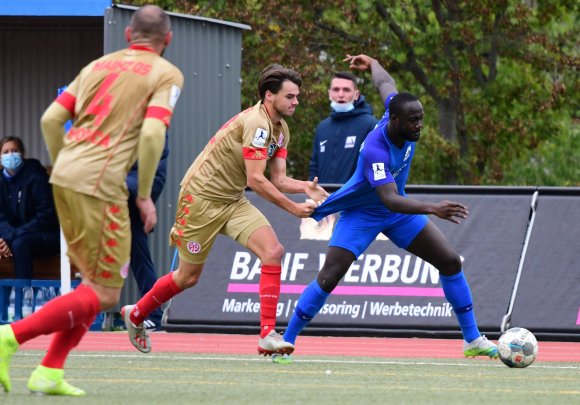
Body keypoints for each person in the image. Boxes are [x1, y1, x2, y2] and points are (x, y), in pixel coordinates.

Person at [0, 5, 183, 396]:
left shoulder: (97, 67)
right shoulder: (165, 73)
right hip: (101, 185)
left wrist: (65, 164)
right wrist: (146, 196)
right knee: (105, 293)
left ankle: (50, 370)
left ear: (127, 35)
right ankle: (9, 337)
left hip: (65, 177)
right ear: (167, 40)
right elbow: (152, 136)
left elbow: (50, 120)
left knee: (94, 286)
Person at [282, 54, 498, 361]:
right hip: (363, 214)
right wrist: (433, 209)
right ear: (394, 120)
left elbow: (385, 82)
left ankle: (472, 339)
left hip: (396, 213)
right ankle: (285, 341)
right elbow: (388, 198)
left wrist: (371, 63)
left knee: (450, 262)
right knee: (329, 277)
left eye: (421, 118)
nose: (419, 126)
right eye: (414, 121)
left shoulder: (399, 114)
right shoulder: (375, 147)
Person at [121, 64, 329, 357]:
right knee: (187, 277)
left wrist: (304, 186)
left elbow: (278, 179)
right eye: (290, 96)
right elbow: (255, 180)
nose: (296, 102)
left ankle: (267, 334)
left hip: (232, 200)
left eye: (296, 96)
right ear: (270, 96)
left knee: (273, 251)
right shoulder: (258, 123)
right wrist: (294, 209)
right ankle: (136, 313)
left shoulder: (280, 130)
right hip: (201, 201)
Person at [0, 136, 60, 279]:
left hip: (45, 236)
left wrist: (10, 237)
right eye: (5, 152)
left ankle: (25, 295)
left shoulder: (36, 177)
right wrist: (5, 241)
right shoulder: (1, 182)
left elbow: (45, 217)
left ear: (22, 154)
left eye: (14, 151)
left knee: (20, 243)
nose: (10, 155)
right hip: (14, 237)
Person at [126, 132, 169, 331]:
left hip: (137, 183)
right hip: (123, 182)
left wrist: (143, 196)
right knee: (138, 254)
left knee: (138, 254)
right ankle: (154, 312)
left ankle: (154, 312)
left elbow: (154, 164)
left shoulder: (153, 120)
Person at [309, 71, 378, 184]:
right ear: (329, 94)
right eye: (336, 90)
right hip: (324, 198)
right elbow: (314, 167)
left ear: (356, 95)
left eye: (346, 90)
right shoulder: (322, 127)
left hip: (354, 198)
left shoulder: (370, 124)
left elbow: (376, 165)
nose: (341, 94)